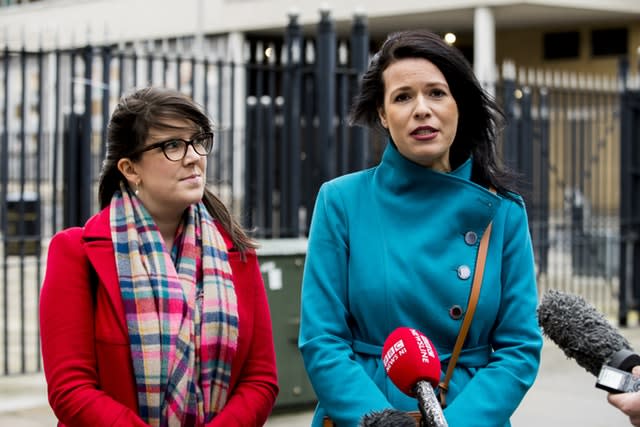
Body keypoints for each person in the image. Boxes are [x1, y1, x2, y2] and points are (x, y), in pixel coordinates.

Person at [298, 30, 542, 427]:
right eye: (403, 97)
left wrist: (458, 423)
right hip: (365, 411)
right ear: (382, 114)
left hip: (470, 413)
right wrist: (376, 419)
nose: (422, 109)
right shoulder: (341, 201)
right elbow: (321, 340)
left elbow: (520, 347)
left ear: (458, 104)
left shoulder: (504, 212)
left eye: (436, 93)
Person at [40, 86, 279, 426]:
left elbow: (261, 379)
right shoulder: (76, 253)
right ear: (130, 168)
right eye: (171, 145)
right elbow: (70, 388)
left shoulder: (236, 254)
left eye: (198, 141)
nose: (194, 155)